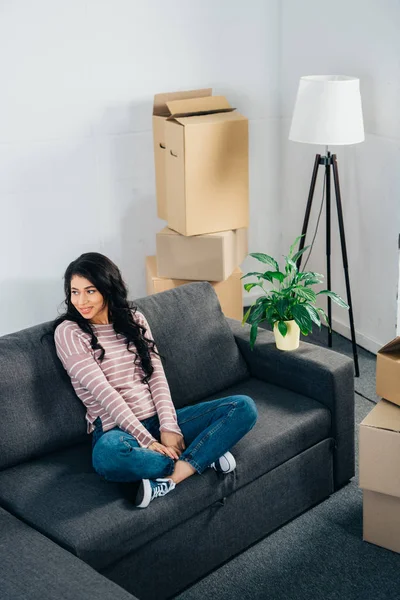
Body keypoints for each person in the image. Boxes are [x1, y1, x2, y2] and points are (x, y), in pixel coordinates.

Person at [52, 252, 258, 508]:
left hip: (158, 420)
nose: (80, 300)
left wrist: (169, 427)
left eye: (90, 291)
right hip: (117, 430)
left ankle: (176, 474)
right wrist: (147, 441)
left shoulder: (133, 319)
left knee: (243, 407)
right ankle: (204, 454)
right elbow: (105, 393)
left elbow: (156, 376)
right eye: (74, 292)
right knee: (108, 457)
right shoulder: (69, 332)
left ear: (107, 287)